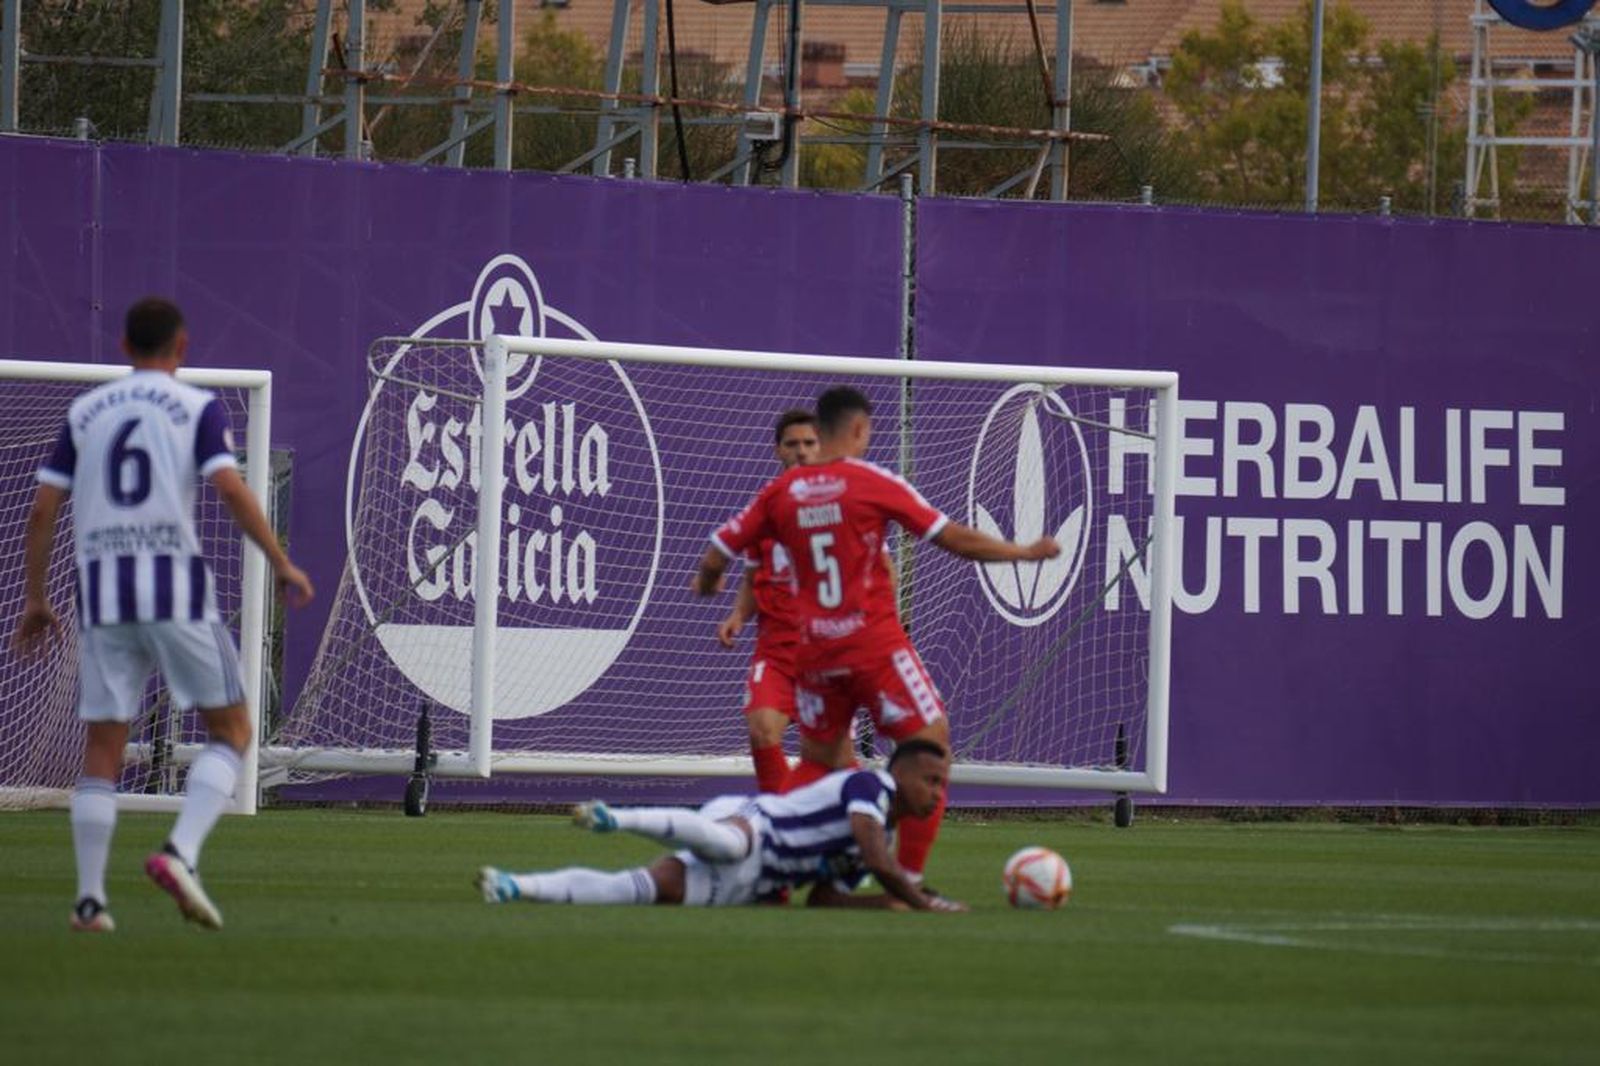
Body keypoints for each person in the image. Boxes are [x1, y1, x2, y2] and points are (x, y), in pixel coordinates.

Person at [11, 297, 315, 933]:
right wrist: (281, 562)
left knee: (102, 748)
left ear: (124, 347)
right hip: (173, 589)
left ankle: (89, 902)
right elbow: (229, 488)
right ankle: (181, 851)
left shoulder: (86, 411)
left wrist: (36, 598)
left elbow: (42, 510)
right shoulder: (197, 407)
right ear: (181, 347)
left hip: (102, 595)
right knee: (233, 730)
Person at [693, 385, 1058, 885]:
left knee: (818, 764)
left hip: (815, 655)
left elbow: (718, 550)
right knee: (931, 749)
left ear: (819, 433)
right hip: (872, 648)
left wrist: (708, 583)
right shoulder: (870, 482)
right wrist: (1023, 552)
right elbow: (954, 538)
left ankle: (767, 860)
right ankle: (905, 879)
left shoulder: (780, 494)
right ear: (860, 430)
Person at [477, 739, 963, 910]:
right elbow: (877, 859)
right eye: (930, 780)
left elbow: (824, 898)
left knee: (645, 889)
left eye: (942, 784)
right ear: (900, 773)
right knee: (728, 844)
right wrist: (920, 901)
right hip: (753, 826)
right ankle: (614, 817)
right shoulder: (871, 787)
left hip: (752, 881)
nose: (937, 793)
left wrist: (886, 904)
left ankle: (514, 886)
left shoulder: (883, 836)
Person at [714, 408, 819, 793]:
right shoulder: (764, 507)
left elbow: (881, 570)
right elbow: (754, 572)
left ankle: (855, 812)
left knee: (829, 754)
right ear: (778, 450)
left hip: (828, 651)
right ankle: (781, 811)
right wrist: (738, 615)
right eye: (792, 444)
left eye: (809, 443)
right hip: (775, 650)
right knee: (761, 728)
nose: (801, 451)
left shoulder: (843, 500)